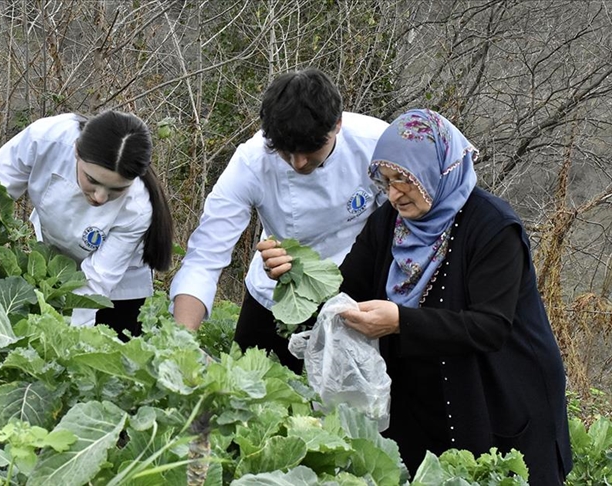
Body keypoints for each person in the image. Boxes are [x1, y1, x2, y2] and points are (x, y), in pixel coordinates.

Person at [262, 109, 573, 483]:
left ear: (436, 170)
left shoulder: (492, 228)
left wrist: (400, 322)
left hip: (497, 396)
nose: (393, 194)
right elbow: (345, 290)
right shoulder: (390, 224)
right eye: (386, 181)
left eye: (405, 180)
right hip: (422, 402)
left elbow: (490, 327)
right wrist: (295, 271)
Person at [169, 68, 389, 373]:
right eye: (286, 152)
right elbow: (205, 256)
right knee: (249, 392)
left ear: (337, 124)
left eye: (311, 150)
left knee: (339, 408)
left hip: (351, 294)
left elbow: (397, 231)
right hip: (273, 293)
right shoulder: (251, 162)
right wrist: (183, 342)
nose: (299, 163)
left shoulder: (376, 143)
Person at [0, 110, 173, 335]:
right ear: (77, 152)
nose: (100, 197)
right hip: (56, 264)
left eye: (116, 190)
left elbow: (95, 284)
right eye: (92, 180)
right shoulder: (47, 137)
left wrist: (68, 342)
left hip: (117, 288)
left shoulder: (137, 208)